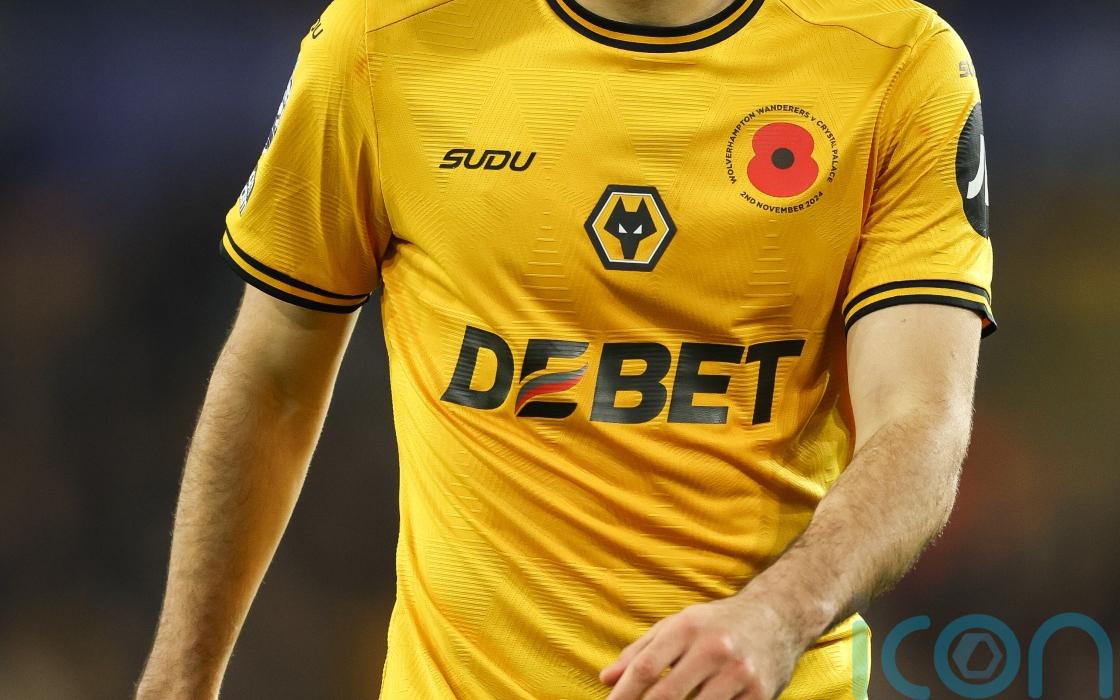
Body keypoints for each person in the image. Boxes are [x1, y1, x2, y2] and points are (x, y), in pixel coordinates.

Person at [137, 0, 995, 697]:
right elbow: (275, 375)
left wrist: (777, 615)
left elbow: (922, 420)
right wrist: (177, 684)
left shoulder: (896, 64)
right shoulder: (382, 42)